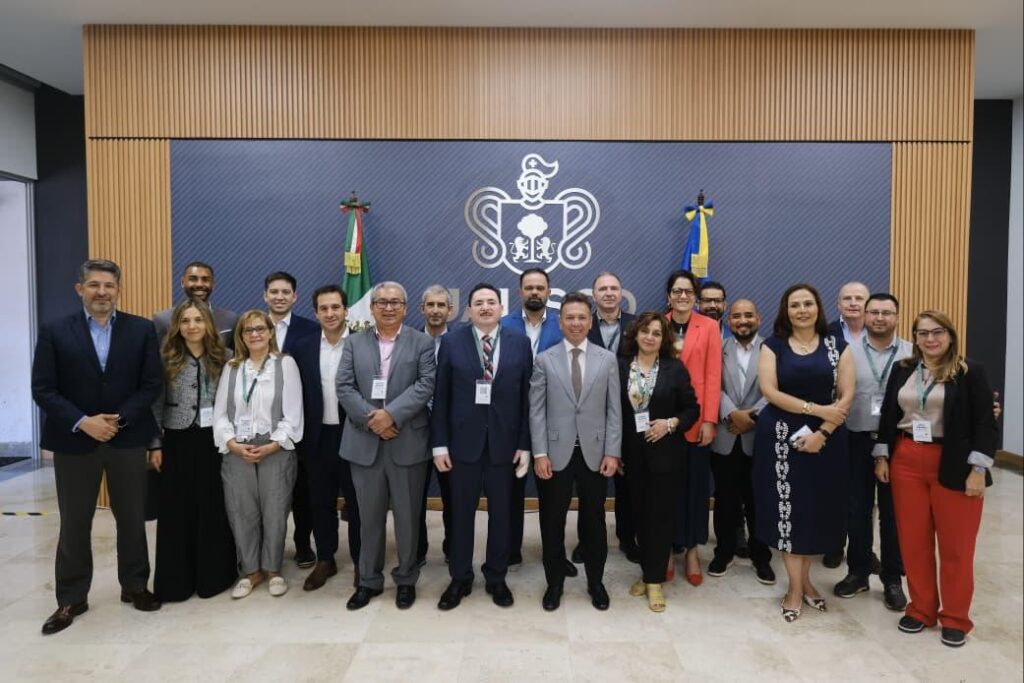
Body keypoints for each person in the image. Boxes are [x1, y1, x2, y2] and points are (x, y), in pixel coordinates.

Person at [32, 259, 163, 635]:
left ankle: (135, 585)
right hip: (74, 441)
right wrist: (83, 421)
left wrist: (118, 420)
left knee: (132, 518)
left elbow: (151, 384)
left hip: (127, 439)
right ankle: (71, 598)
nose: (102, 292)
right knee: (75, 522)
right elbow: (43, 388)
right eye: (94, 285)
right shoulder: (55, 331)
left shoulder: (141, 329)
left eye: (108, 285)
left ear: (118, 289)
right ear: (80, 289)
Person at [873, 311, 997, 648]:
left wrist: (978, 470)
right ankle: (921, 609)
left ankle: (955, 618)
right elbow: (889, 414)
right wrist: (882, 455)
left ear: (950, 335)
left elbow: (986, 424)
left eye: (937, 332)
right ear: (914, 337)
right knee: (913, 541)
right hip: (906, 457)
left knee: (956, 546)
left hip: (954, 461)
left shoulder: (969, 372)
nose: (930, 339)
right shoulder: (903, 369)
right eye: (923, 333)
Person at [753, 283, 855, 623]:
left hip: (826, 440)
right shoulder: (773, 346)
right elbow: (770, 391)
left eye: (807, 304)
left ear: (818, 308)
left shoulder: (837, 346)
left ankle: (806, 581)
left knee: (813, 514)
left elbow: (846, 395)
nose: (801, 310)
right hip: (781, 439)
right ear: (786, 311)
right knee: (788, 515)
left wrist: (823, 431)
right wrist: (817, 409)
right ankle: (795, 589)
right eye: (794, 305)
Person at [431, 283, 533, 610]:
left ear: (501, 308)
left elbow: (526, 398)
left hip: (505, 445)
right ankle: (460, 577)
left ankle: (496, 576)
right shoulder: (452, 342)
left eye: (491, 302)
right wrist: (439, 445)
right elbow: (441, 396)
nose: (485, 307)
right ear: (469, 310)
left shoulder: (520, 343)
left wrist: (524, 444)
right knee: (461, 514)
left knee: (502, 515)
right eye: (479, 303)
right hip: (462, 446)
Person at [336, 282, 435, 610]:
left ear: (405, 308)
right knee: (368, 518)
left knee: (408, 517)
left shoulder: (422, 342)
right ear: (372, 308)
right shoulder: (354, 343)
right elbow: (344, 386)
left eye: (395, 302)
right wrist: (373, 420)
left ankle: (406, 579)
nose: (388, 307)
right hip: (364, 442)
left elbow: (426, 384)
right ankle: (368, 580)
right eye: (382, 302)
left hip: (407, 441)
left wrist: (391, 415)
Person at [529, 292, 621, 611]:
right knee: (552, 521)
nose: (576, 323)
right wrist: (539, 453)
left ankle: (596, 582)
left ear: (590, 321)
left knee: (594, 521)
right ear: (560, 322)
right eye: (570, 317)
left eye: (582, 317)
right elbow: (536, 411)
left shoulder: (607, 360)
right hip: (555, 454)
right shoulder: (545, 360)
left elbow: (614, 411)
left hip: (596, 454)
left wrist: (612, 452)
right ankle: (554, 583)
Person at [149, 299, 237, 601]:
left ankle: (213, 577)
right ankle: (177, 582)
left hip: (214, 441)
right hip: (176, 440)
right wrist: (155, 444)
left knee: (212, 507)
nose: (192, 326)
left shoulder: (225, 357)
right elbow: (155, 404)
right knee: (177, 510)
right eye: (185, 321)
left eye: (198, 320)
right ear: (177, 326)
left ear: (208, 324)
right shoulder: (165, 357)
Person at [213, 309, 304, 599]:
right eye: (248, 330)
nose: (254, 334)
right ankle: (251, 571)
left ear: (270, 332)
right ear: (240, 336)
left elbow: (293, 414)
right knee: (241, 512)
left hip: (275, 449)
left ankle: (273, 569)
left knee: (275, 510)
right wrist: (232, 443)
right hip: (237, 449)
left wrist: (273, 445)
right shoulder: (232, 367)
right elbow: (220, 413)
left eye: (260, 329)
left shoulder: (285, 364)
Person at [833, 293, 911, 609]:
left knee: (893, 513)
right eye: (874, 312)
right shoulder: (847, 351)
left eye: (886, 313)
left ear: (897, 317)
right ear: (864, 316)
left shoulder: (912, 353)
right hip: (856, 438)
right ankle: (858, 572)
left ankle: (892, 579)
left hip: (898, 442)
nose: (880, 318)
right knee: (857, 510)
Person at [619, 312, 700, 611]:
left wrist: (670, 423)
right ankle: (647, 572)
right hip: (630, 455)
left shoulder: (674, 368)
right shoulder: (620, 366)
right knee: (639, 517)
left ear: (664, 339)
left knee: (660, 518)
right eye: (645, 331)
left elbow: (692, 409)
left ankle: (654, 581)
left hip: (665, 455)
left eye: (656, 333)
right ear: (635, 334)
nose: (650, 337)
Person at [291, 285, 361, 591]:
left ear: (346, 310)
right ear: (316, 312)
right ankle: (325, 559)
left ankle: (361, 561)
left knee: (358, 504)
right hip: (318, 438)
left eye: (335, 307)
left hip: (355, 436)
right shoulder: (303, 346)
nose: (330, 313)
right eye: (324, 308)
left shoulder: (363, 343)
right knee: (320, 502)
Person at [500, 267, 569, 573]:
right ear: (520, 292)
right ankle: (509, 550)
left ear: (549, 291)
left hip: (552, 418)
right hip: (511, 420)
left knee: (553, 496)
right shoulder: (503, 325)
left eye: (540, 287)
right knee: (510, 492)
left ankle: (555, 555)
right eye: (529, 287)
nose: (534, 292)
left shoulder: (562, 325)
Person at [708, 299, 775, 584]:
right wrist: (731, 413)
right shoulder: (718, 348)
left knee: (758, 500)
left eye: (748, 315)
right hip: (726, 434)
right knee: (725, 499)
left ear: (758, 318)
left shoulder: (772, 350)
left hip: (759, 436)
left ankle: (761, 556)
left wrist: (752, 417)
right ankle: (723, 552)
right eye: (736, 316)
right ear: (729, 320)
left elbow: (777, 388)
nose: (742, 320)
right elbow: (712, 384)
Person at [664, 269, 722, 585]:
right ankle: (666, 548)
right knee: (665, 489)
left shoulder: (709, 326)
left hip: (696, 421)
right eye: (677, 291)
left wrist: (710, 420)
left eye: (688, 291)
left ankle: (691, 551)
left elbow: (713, 376)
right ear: (668, 296)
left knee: (696, 489)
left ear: (695, 296)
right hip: (662, 424)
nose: (683, 296)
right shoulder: (657, 325)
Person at [576, 271, 638, 565]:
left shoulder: (636, 325)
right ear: (594, 294)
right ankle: (587, 540)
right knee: (589, 484)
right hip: (590, 414)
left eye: (614, 288)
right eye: (603, 289)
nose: (609, 293)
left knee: (628, 483)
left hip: (631, 412)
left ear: (621, 293)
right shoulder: (582, 324)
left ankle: (627, 538)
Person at [263, 271, 319, 568]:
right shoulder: (251, 326)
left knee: (302, 488)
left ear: (295, 297)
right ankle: (266, 546)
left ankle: (302, 543)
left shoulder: (311, 329)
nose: (279, 296)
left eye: (286, 292)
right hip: (261, 420)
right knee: (266, 489)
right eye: (274, 291)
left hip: (300, 419)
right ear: (265, 296)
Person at [822, 280, 870, 569]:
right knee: (833, 490)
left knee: (863, 495)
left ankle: (862, 549)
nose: (853, 303)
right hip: (831, 422)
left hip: (868, 424)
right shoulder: (825, 333)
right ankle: (834, 543)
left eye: (859, 298)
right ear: (838, 304)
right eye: (847, 298)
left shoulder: (879, 333)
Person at [417, 284, 455, 566]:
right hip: (414, 430)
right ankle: (417, 550)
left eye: (441, 305)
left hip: (451, 433)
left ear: (450, 311)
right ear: (422, 309)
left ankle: (453, 547)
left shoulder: (461, 342)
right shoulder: (407, 341)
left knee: (453, 497)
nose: (435, 310)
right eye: (430, 305)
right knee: (414, 497)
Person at [153, 261, 237, 347]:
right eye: (193, 279)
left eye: (205, 280)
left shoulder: (230, 320)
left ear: (213, 284)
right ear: (182, 282)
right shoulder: (163, 320)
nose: (199, 284)